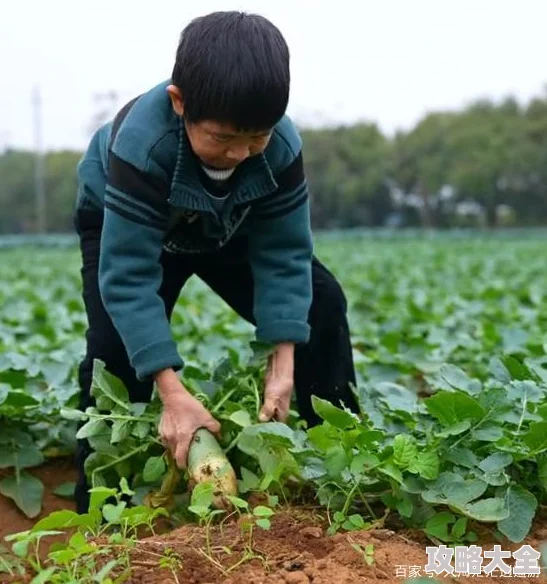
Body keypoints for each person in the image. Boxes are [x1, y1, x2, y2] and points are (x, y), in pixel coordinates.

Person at [73, 10, 359, 514]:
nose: (240, 153)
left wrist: (284, 358)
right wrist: (172, 393)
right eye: (223, 139)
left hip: (228, 223)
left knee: (323, 303)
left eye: (257, 138)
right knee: (114, 348)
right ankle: (97, 502)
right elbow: (128, 279)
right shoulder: (143, 146)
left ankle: (337, 468)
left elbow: (285, 252)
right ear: (179, 103)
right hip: (132, 223)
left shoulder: (278, 148)